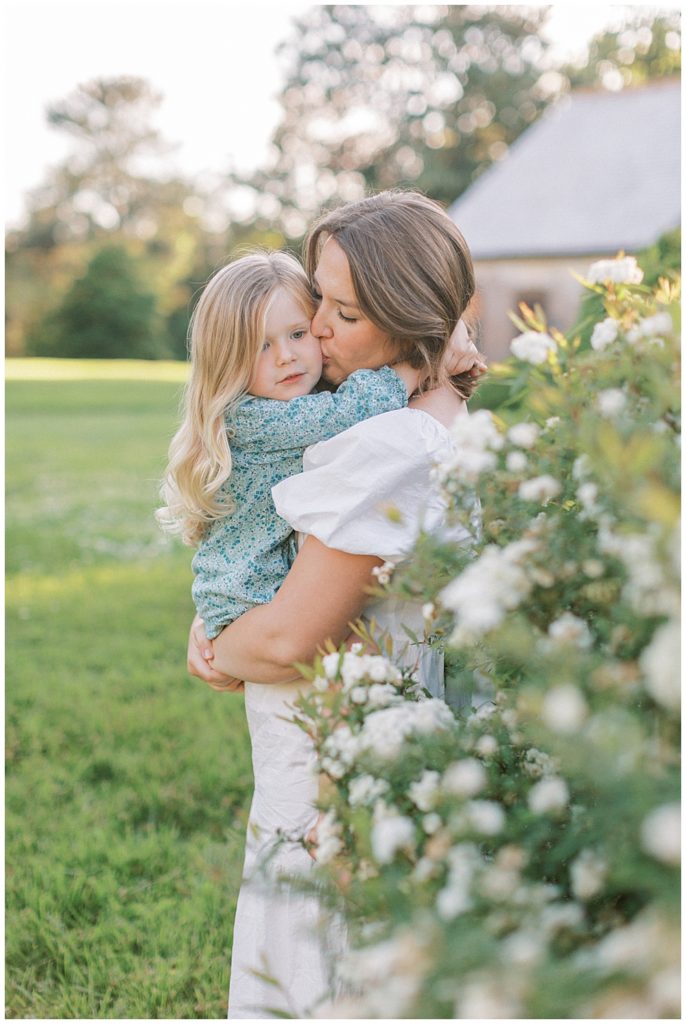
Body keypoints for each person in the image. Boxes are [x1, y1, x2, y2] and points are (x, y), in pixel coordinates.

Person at [186, 191, 485, 1018]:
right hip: (351, 742)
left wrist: (222, 641)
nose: (315, 330)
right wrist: (216, 609)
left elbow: (281, 644)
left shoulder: (393, 443)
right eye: (319, 297)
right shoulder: (426, 416)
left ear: (406, 321)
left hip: (330, 763)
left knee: (319, 966)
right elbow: (284, 547)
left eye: (341, 313)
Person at [156, 250, 424, 640]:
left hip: (260, 601)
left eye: (298, 334)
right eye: (261, 346)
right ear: (227, 359)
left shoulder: (287, 403)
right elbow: (353, 408)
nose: (286, 357)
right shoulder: (252, 419)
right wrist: (424, 360)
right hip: (249, 602)